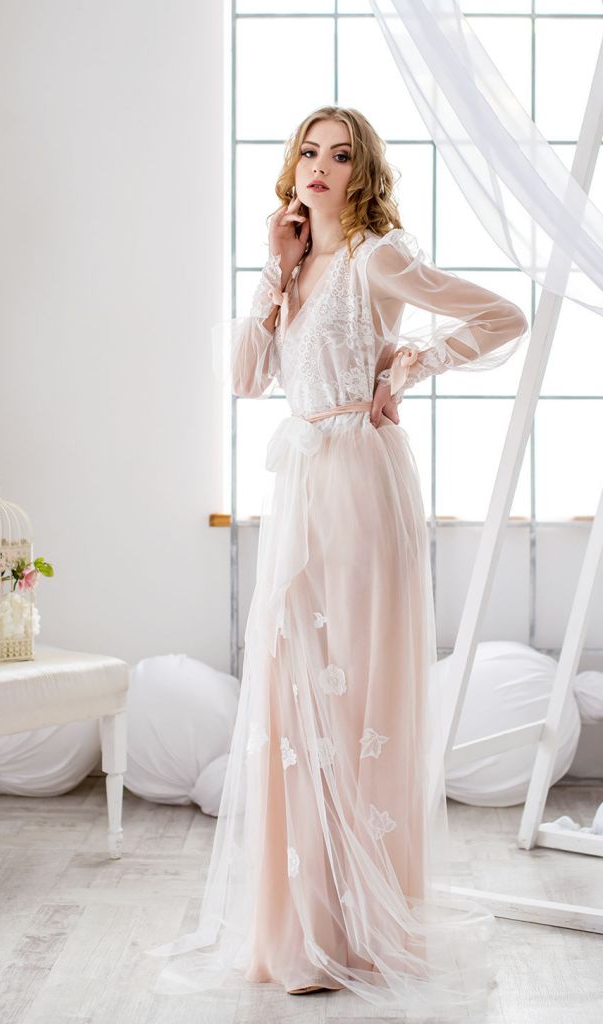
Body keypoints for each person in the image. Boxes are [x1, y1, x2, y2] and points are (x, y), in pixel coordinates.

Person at [147, 105, 529, 1017]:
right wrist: (272, 270)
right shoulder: (296, 267)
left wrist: (408, 368)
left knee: (352, 697)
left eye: (341, 154)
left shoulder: (375, 257)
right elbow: (246, 379)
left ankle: (354, 931)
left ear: (363, 172)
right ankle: (301, 928)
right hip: (302, 491)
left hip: (359, 479)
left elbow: (502, 316)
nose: (321, 165)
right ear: (292, 169)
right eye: (309, 152)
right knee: (293, 696)